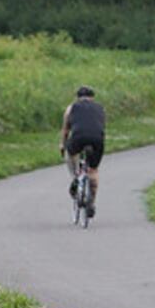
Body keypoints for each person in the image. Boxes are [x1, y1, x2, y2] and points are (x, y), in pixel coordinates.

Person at [60, 85, 106, 218]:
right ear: (93, 98)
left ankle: (76, 177)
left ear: (77, 97)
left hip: (78, 137)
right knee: (93, 170)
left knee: (70, 153)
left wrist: (62, 145)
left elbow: (65, 130)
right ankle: (91, 202)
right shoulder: (100, 108)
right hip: (97, 139)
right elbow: (102, 126)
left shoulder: (71, 108)